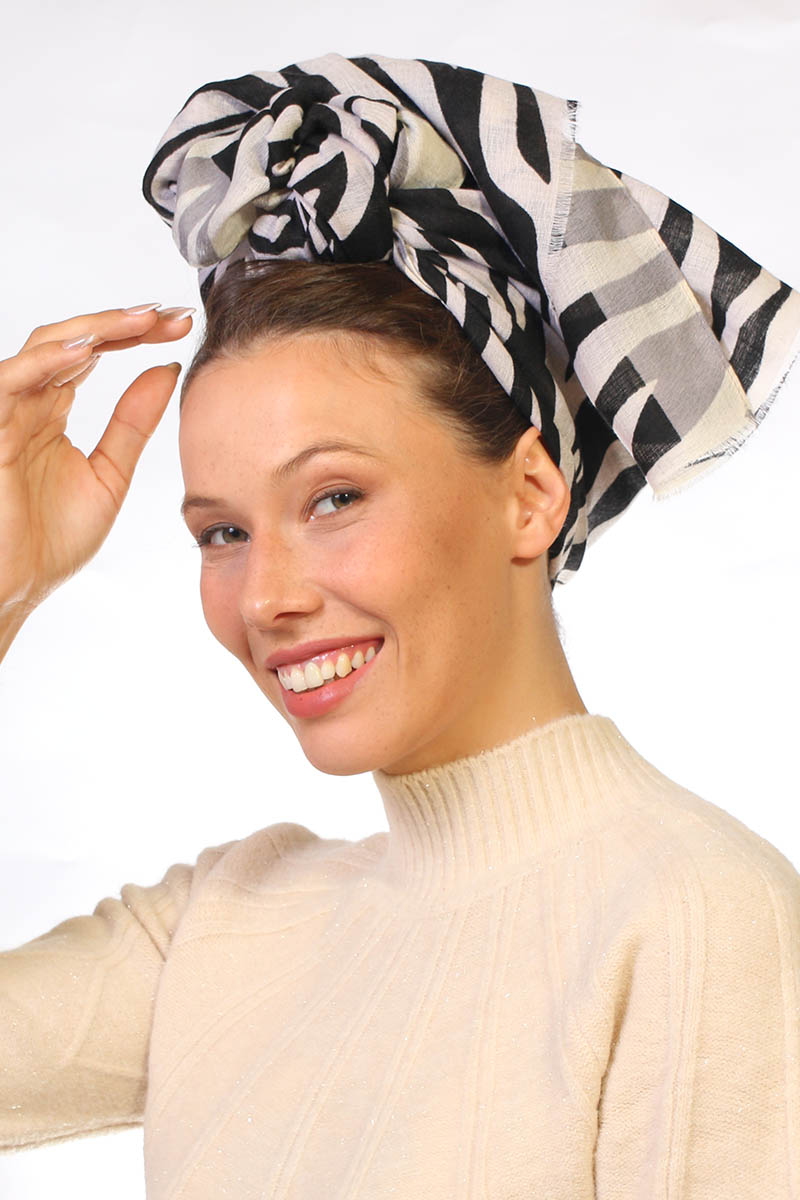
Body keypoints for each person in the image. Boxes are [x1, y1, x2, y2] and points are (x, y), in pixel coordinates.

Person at [1, 51, 799, 1198]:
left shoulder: (690, 916)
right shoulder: (225, 923)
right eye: (221, 531)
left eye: (333, 499)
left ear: (529, 494)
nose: (265, 595)